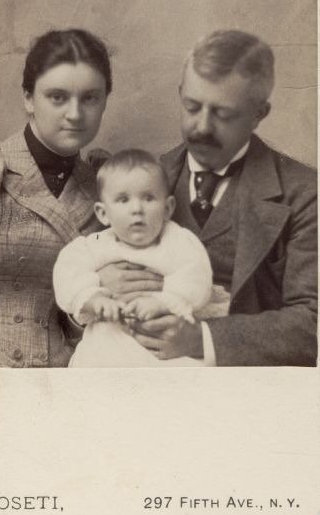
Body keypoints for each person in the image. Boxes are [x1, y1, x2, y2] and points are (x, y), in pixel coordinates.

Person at [0, 29, 161, 367]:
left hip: (68, 383)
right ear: (28, 98)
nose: (75, 114)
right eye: (57, 97)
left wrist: (96, 298)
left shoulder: (104, 192)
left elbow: (83, 330)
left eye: (90, 98)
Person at [126, 29, 317, 366]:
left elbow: (311, 323)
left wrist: (201, 339)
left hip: (251, 388)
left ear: (259, 113)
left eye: (223, 114)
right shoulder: (146, 179)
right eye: (191, 106)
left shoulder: (305, 193)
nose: (201, 127)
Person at [53, 149, 230, 367]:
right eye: (123, 199)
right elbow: (69, 271)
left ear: (167, 208)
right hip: (109, 338)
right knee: (93, 364)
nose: (137, 209)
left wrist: (164, 301)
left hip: (164, 338)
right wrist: (93, 298)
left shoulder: (178, 241)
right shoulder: (95, 245)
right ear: (103, 213)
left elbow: (196, 276)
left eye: (148, 198)